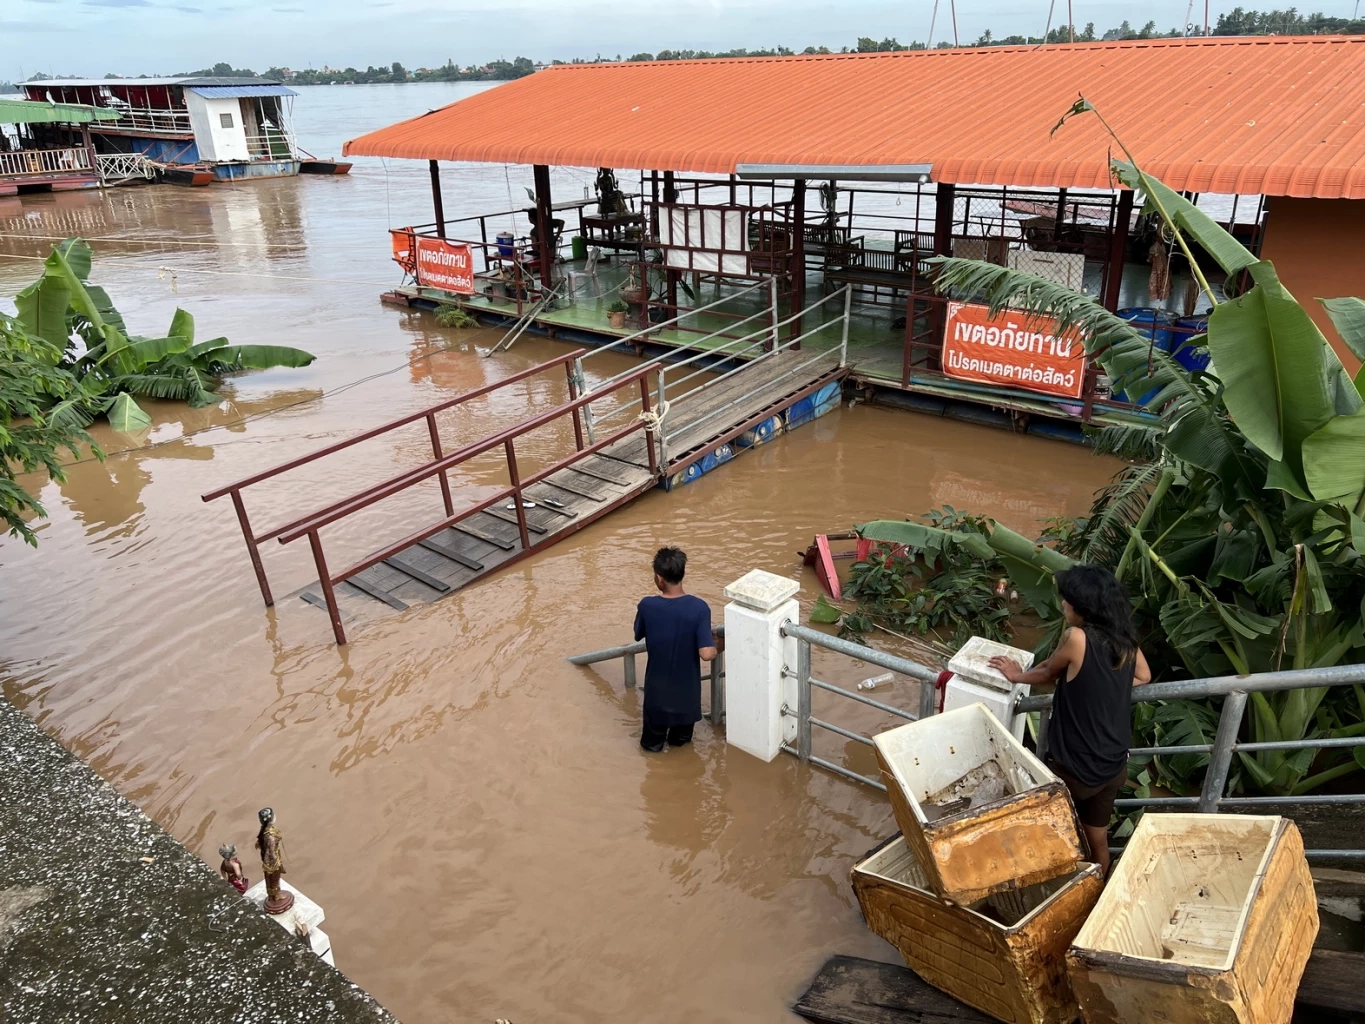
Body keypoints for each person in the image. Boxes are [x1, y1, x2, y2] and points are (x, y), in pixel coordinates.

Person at [988, 564, 1150, 877]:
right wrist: (1105, 686)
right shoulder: (1125, 642)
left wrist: (1015, 675)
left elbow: (1049, 673)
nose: (1063, 605)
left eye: (1067, 601)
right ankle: (1098, 891)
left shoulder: (1076, 638)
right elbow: (1144, 675)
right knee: (1097, 840)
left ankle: (1049, 888)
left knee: (1044, 832)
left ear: (1082, 609)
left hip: (1076, 768)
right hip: (1113, 765)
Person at [633, 547, 719, 752]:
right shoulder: (699, 608)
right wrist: (719, 645)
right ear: (683, 574)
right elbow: (707, 653)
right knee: (681, 749)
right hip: (686, 699)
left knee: (650, 750)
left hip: (656, 697)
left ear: (659, 578)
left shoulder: (647, 605)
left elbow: (638, 634)